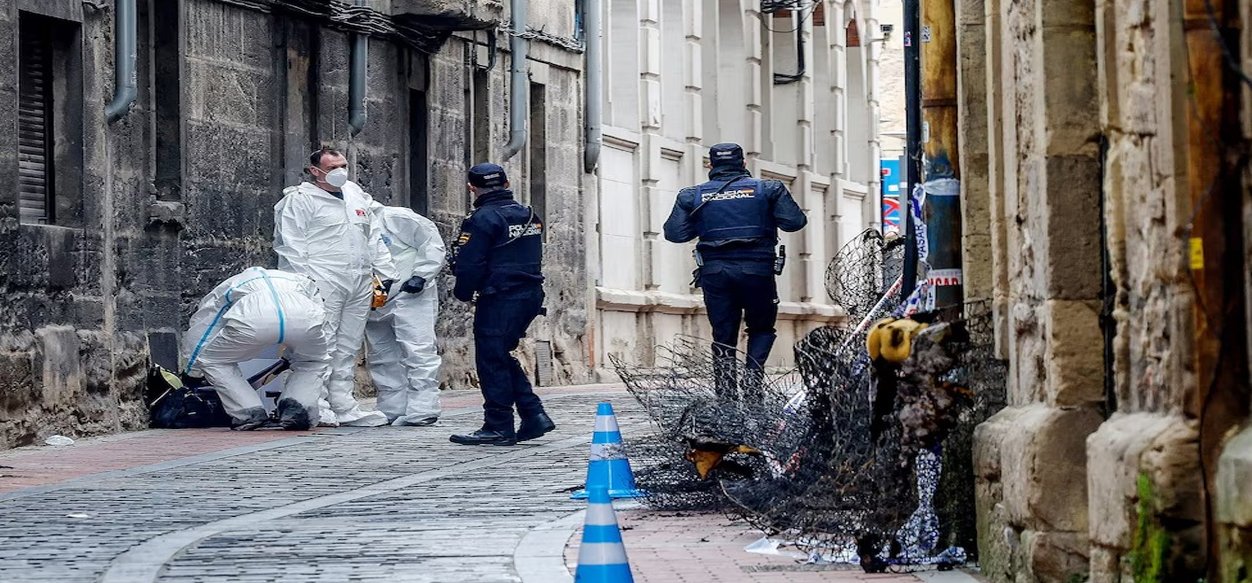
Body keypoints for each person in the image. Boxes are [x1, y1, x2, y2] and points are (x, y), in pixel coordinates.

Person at [662, 142, 808, 398]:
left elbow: (674, 234)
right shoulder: (768, 189)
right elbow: (794, 223)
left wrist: (704, 224)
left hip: (715, 273)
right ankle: (753, 385)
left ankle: (726, 395)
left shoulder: (692, 195)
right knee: (761, 328)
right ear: (743, 164)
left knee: (722, 333)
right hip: (757, 271)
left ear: (710, 165)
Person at [273, 147, 397, 427]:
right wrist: (303, 284)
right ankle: (315, 404)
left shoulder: (355, 194)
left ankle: (343, 404)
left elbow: (372, 235)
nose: (340, 172)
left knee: (348, 345)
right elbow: (292, 245)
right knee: (321, 344)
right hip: (323, 278)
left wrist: (385, 272)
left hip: (359, 278)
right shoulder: (300, 200)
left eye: (343, 165)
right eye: (332, 168)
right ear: (315, 172)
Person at [447, 163, 555, 446]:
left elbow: (471, 264)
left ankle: (498, 425)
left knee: (491, 359)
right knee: (500, 355)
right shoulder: (529, 214)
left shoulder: (482, 219)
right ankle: (533, 415)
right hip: (530, 295)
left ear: (472, 188)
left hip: (501, 297)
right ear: (507, 184)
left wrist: (463, 292)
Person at [181, 267, 329, 431]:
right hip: (304, 318)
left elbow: (206, 326)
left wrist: (192, 371)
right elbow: (320, 317)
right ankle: (298, 410)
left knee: (212, 361)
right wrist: (294, 354)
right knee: (313, 362)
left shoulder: (232, 284)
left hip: (253, 320)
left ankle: (248, 411)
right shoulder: (303, 282)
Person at [364, 201, 447, 426]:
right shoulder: (347, 227)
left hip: (409, 293)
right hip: (374, 298)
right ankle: (392, 407)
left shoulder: (394, 218)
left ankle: (424, 407)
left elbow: (430, 240)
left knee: (417, 349)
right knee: (382, 354)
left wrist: (422, 274)